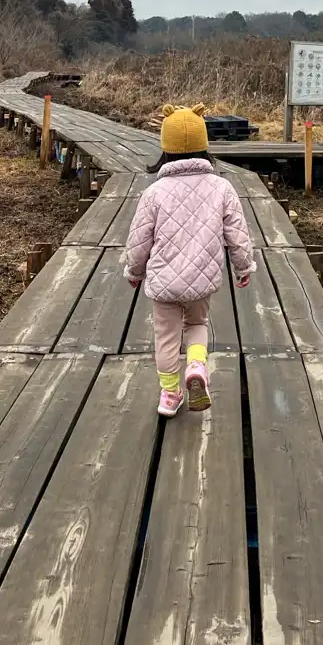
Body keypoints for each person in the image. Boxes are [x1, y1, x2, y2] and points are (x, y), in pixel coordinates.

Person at [125, 104, 255, 417]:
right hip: (202, 279)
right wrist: (244, 266)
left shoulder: (154, 192)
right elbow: (238, 234)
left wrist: (134, 270)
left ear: (165, 149)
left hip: (164, 282)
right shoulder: (222, 188)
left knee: (166, 337)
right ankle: (196, 366)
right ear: (204, 146)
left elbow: (139, 240)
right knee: (197, 324)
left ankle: (170, 394)